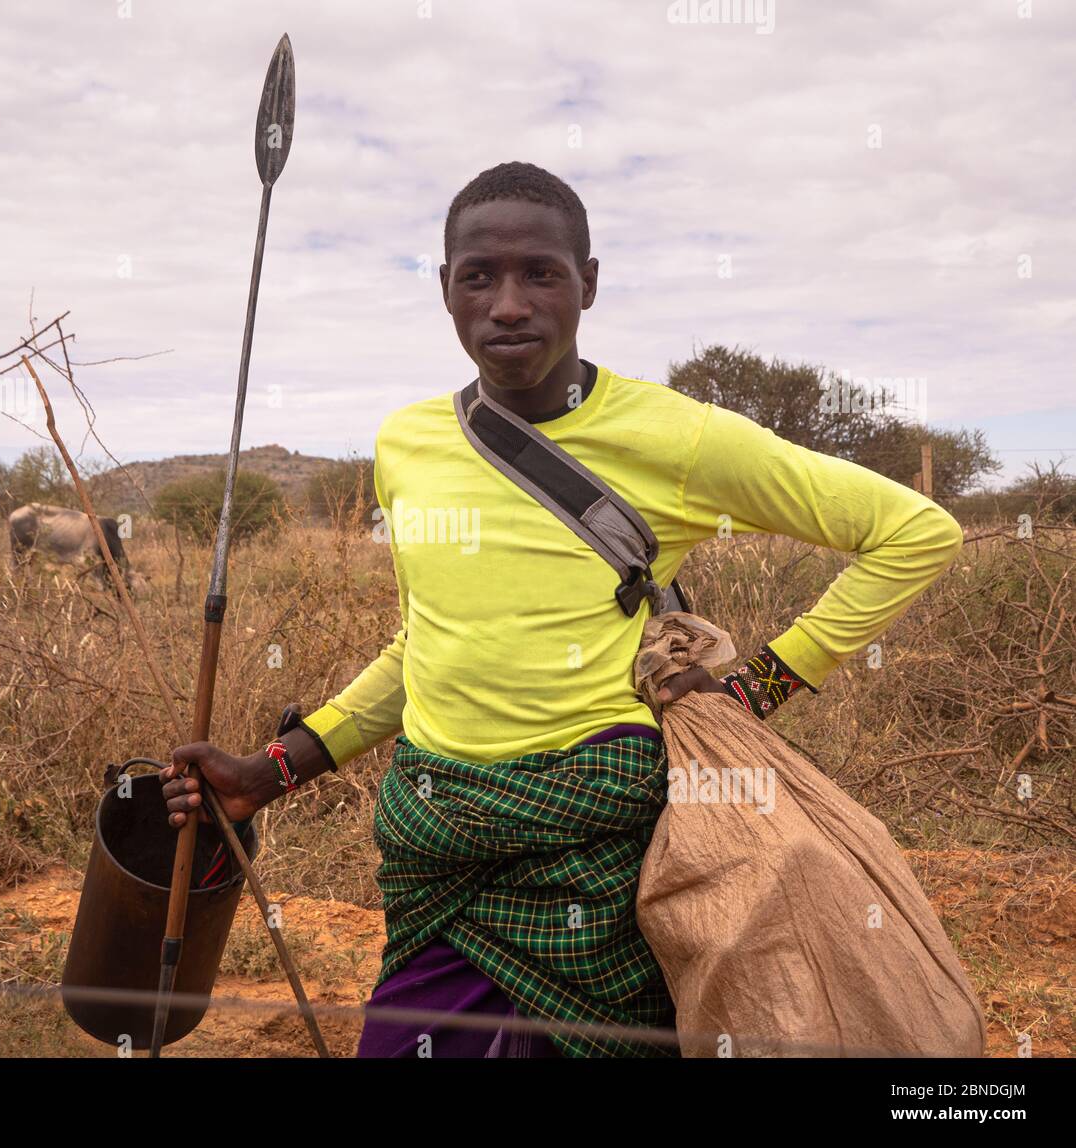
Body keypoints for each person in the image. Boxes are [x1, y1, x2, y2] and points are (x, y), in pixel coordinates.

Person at [161, 161, 964, 1058]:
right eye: (480, 276)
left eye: (540, 273)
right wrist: (273, 770)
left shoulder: (681, 438)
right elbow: (425, 645)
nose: (509, 304)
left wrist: (762, 687)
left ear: (587, 282)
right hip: (438, 845)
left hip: (602, 856)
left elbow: (914, 531)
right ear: (445, 290)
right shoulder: (407, 445)